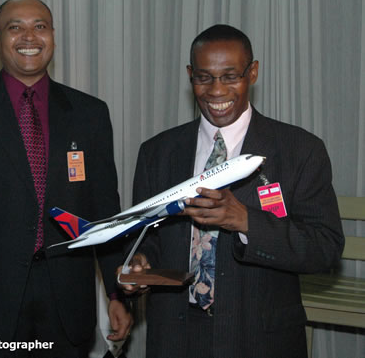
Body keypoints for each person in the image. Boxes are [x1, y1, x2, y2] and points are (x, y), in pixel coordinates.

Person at [120, 24, 344, 358]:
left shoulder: (299, 149)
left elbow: (324, 249)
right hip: (174, 336)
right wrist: (140, 265)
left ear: (252, 72)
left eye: (230, 76)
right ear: (189, 75)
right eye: (203, 77)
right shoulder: (158, 151)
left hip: (259, 337)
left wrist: (247, 221)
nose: (216, 90)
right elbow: (147, 237)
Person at [0, 0, 132, 357]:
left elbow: (104, 208)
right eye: (15, 27)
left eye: (39, 26)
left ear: (53, 35)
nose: (29, 37)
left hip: (69, 303)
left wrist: (117, 292)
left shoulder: (90, 114)